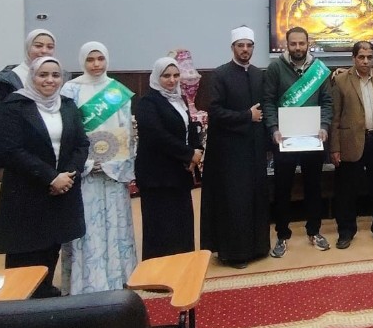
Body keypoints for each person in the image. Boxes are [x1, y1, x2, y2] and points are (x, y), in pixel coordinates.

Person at [0, 56, 88, 298]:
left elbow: (81, 144)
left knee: (50, 252)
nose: (49, 80)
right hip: (27, 193)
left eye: (55, 75)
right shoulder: (15, 105)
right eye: (43, 75)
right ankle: (20, 308)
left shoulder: (67, 105)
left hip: (61, 192)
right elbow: (11, 150)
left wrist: (67, 176)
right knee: (24, 259)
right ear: (31, 77)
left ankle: (44, 299)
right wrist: (51, 178)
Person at [58, 42, 137, 293]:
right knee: (88, 227)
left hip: (113, 171)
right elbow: (67, 131)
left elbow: (126, 132)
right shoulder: (70, 90)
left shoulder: (116, 90)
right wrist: (87, 163)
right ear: (82, 61)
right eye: (90, 59)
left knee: (115, 222)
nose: (96, 64)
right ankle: (87, 283)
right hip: (85, 172)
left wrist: (114, 163)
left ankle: (118, 278)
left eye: (100, 59)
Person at [201, 26, 271, 269]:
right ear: (233, 48)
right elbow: (215, 111)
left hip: (255, 150)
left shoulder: (258, 74)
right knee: (235, 201)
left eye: (249, 46)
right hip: (230, 152)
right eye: (241, 45)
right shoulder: (220, 75)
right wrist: (246, 116)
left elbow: (266, 107)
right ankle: (234, 253)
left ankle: (258, 247)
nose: (245, 50)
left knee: (256, 197)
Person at [264, 27, 333, 257]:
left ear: (308, 43)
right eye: (293, 44)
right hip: (284, 139)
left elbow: (327, 102)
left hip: (313, 139)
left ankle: (314, 231)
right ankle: (282, 235)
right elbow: (268, 101)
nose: (297, 48)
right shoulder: (275, 68)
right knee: (282, 189)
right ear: (287, 44)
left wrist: (324, 126)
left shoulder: (318, 69)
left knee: (314, 187)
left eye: (301, 43)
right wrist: (273, 128)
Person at [330, 41, 373, 248]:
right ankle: (346, 231)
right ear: (354, 58)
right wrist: (334, 148)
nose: (365, 61)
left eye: (369, 57)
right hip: (350, 142)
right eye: (361, 57)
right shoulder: (341, 80)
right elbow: (335, 117)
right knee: (347, 190)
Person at [134, 57, 203, 260]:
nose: (172, 80)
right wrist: (188, 154)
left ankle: (183, 268)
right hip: (157, 177)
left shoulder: (179, 99)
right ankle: (159, 273)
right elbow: (157, 136)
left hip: (179, 174)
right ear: (157, 77)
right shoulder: (147, 103)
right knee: (161, 229)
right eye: (166, 76)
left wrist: (196, 150)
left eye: (175, 75)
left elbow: (189, 128)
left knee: (181, 225)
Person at [0, 29, 56, 180]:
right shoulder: (7, 81)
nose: (44, 51)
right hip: (17, 160)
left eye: (49, 47)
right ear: (28, 47)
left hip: (53, 159)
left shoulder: (58, 77)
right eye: (38, 46)